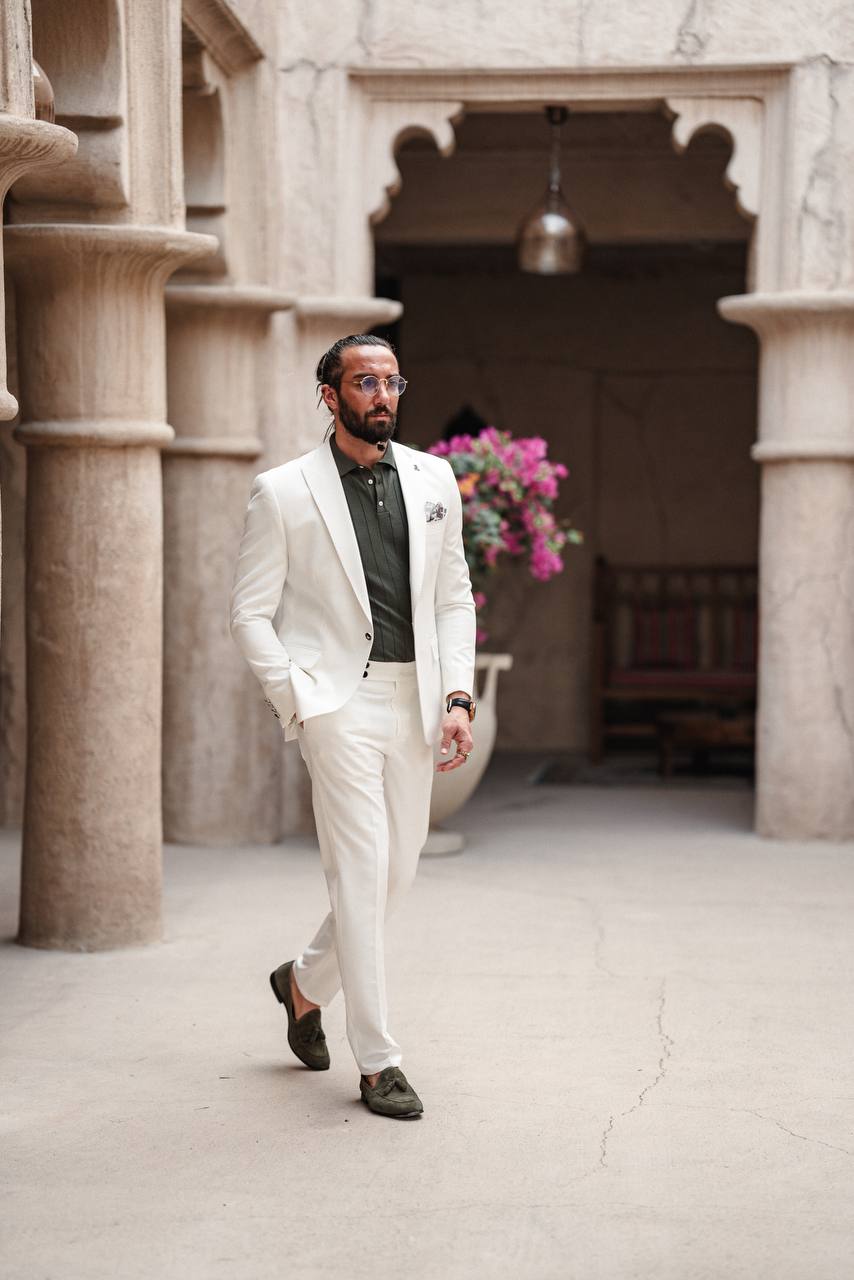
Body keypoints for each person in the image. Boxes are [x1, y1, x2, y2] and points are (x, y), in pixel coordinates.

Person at [229, 334, 476, 1119]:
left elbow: (453, 598)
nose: (383, 395)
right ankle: (379, 1063)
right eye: (364, 382)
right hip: (336, 704)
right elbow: (250, 614)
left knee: (393, 878)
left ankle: (302, 985)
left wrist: (459, 697)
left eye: (392, 381)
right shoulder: (285, 492)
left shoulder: (435, 479)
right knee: (363, 876)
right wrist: (296, 696)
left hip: (417, 701)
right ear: (329, 396)